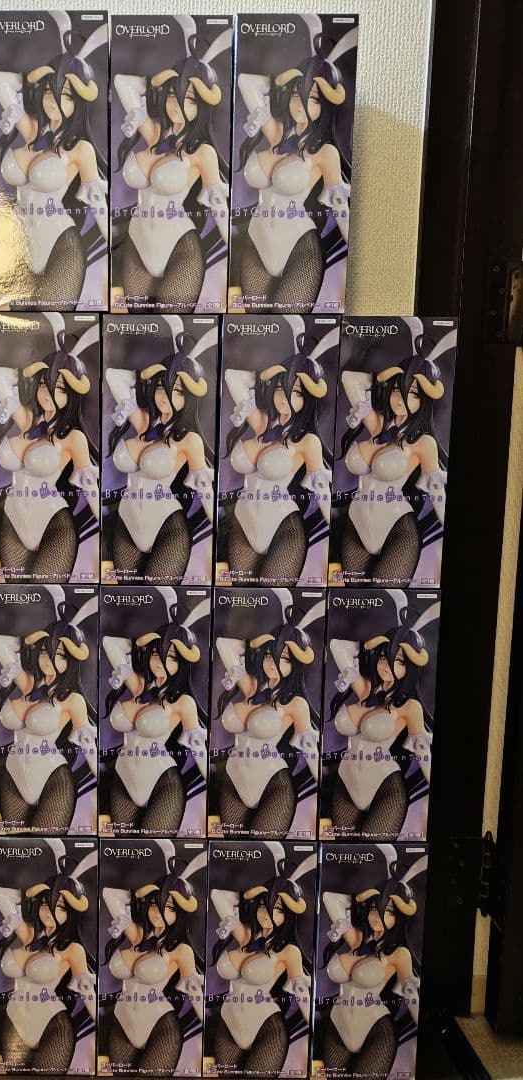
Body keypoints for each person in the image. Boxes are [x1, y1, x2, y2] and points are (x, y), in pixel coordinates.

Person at [231, 18, 356, 312]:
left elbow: (341, 209)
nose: (301, 105)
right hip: (256, 242)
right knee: (255, 329)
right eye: (297, 95)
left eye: (312, 99)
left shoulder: (324, 152)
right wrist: (294, 78)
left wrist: (359, 257)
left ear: (325, 105)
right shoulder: (276, 133)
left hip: (300, 247)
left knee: (288, 323)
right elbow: (246, 82)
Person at [0, 12, 108, 310]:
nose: (54, 102)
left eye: (65, 95)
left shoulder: (80, 149)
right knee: (14, 329)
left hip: (61, 245)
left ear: (77, 101)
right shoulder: (30, 130)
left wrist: (114, 247)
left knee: (52, 323)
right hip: (17, 248)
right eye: (48, 92)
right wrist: (44, 74)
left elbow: (98, 204)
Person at [113, 17, 231, 312]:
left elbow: (219, 206)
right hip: (137, 244)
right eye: (172, 96)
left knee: (172, 322)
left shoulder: (202, 152)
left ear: (201, 105)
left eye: (189, 99)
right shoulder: (153, 133)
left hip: (181, 247)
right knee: (137, 329)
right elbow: (122, 83)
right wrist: (167, 79)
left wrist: (236, 249)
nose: (177, 105)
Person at [337, 321, 454, 586]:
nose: (401, 400)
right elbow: (349, 379)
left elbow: (437, 493)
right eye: (397, 390)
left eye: (412, 394)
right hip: (356, 523)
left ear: (424, 400)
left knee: (382, 596)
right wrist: (388, 377)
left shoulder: (423, 443)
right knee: (352, 598)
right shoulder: (377, 425)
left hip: (398, 528)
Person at [0, 313, 99, 581]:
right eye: (43, 385)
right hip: (13, 520)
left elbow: (91, 489)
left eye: (58, 388)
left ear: (71, 393)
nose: (48, 394)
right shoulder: (27, 419)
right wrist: (35, 372)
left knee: (43, 594)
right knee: (17, 598)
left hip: (54, 524)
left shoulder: (73, 437)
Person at [222, 319, 334, 584]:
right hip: (243, 520)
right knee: (241, 599)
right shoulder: (262, 422)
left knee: (272, 593)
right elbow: (232, 377)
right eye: (281, 389)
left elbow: (322, 492)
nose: (285, 399)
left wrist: (335, 531)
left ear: (307, 398)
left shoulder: (307, 441)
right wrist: (276, 375)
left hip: (284, 525)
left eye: (296, 393)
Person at [105, 316, 215, 584]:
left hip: (167, 525)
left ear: (188, 397)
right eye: (161, 388)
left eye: (177, 391)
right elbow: (112, 376)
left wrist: (219, 530)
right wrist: (152, 374)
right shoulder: (143, 421)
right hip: (126, 522)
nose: (166, 397)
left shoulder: (189, 440)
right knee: (127, 597)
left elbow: (205, 490)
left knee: (156, 594)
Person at [327, 592, 437, 839]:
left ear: (409, 666)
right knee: (343, 852)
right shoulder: (365, 688)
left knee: (371, 851)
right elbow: (336, 646)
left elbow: (423, 753)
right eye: (384, 658)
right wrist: (373, 644)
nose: (388, 666)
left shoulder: (409, 706)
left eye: (399, 661)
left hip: (385, 786)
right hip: (345, 780)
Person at [214, 592, 323, 837]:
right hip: (233, 777)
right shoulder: (251, 687)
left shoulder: (295, 704)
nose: (274, 663)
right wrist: (260, 643)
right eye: (269, 656)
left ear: (295, 664)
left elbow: (310, 751)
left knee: (261, 846)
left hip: (274, 783)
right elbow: (223, 644)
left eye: (284, 659)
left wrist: (323, 791)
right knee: (233, 849)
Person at [103, 589, 209, 835]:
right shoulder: (139, 685)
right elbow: (110, 643)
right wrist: (148, 640)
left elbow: (199, 749)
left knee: (151, 846)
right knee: (124, 850)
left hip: (163, 781)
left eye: (170, 657)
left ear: (181, 662)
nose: (160, 662)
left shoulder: (182, 702)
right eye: (155, 654)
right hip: (122, 778)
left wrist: (211, 786)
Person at [0, 590, 98, 833]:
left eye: (59, 655)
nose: (49, 661)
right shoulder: (28, 683)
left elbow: (88, 746)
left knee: (43, 844)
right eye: (44, 652)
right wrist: (35, 640)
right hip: (13, 775)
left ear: (70, 660)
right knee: (16, 849)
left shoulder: (72, 700)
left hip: (53, 778)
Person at [320, 848, 425, 1079]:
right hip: (338, 1023)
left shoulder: (399, 954)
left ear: (398, 917)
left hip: (376, 1029)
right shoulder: (357, 939)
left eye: (388, 912)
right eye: (374, 910)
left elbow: (413, 999)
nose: (378, 918)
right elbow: (329, 898)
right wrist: (372, 894)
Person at [209, 847, 314, 1076]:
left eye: (277, 910)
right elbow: (217, 896)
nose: (267, 914)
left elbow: (302, 996)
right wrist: (261, 892)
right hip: (227, 1021)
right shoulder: (245, 936)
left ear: (288, 915)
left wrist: (315, 1034)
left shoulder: (288, 952)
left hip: (266, 1027)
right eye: (263, 906)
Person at [102, 842, 205, 1075]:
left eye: (169, 907)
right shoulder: (138, 935)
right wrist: (148, 891)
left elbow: (195, 994)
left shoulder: (181, 950)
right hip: (121, 1019)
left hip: (160, 1025)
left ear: (179, 913)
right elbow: (109, 894)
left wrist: (206, 1036)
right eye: (154, 905)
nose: (159, 913)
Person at [0, 844, 97, 1072]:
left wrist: (103, 1033)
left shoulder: (72, 950)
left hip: (53, 1025)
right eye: (45, 904)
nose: (49, 912)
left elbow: (88, 993)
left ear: (71, 912)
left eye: (60, 907)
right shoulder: (28, 933)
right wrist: (36, 892)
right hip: (14, 1020)